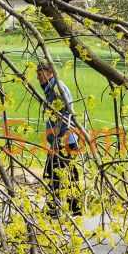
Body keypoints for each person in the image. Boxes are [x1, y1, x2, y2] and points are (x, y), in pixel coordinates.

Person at [35, 62, 85, 215]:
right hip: (62, 140)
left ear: (50, 72)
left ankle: (58, 209)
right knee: (60, 173)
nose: (38, 78)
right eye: (37, 75)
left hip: (64, 140)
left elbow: (66, 115)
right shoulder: (51, 88)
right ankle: (70, 208)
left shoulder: (57, 89)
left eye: (40, 74)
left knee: (57, 174)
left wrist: (57, 140)